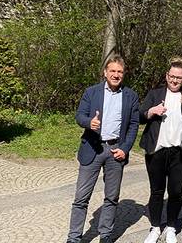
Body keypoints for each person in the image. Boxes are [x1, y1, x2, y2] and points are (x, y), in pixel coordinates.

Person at [66, 55, 140, 243]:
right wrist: (89, 122)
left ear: (123, 74)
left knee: (112, 197)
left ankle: (106, 235)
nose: (116, 75)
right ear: (105, 72)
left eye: (119, 72)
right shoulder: (92, 92)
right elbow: (79, 116)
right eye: (112, 71)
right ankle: (74, 238)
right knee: (81, 198)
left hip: (116, 151)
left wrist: (125, 148)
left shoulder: (130, 96)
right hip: (93, 148)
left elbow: (133, 126)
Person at [140, 57, 182, 243]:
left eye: (178, 78)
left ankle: (171, 227)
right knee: (156, 191)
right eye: (172, 76)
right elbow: (140, 116)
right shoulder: (155, 94)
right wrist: (151, 112)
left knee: (175, 192)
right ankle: (155, 227)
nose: (174, 80)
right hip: (157, 151)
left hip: (179, 153)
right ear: (166, 76)